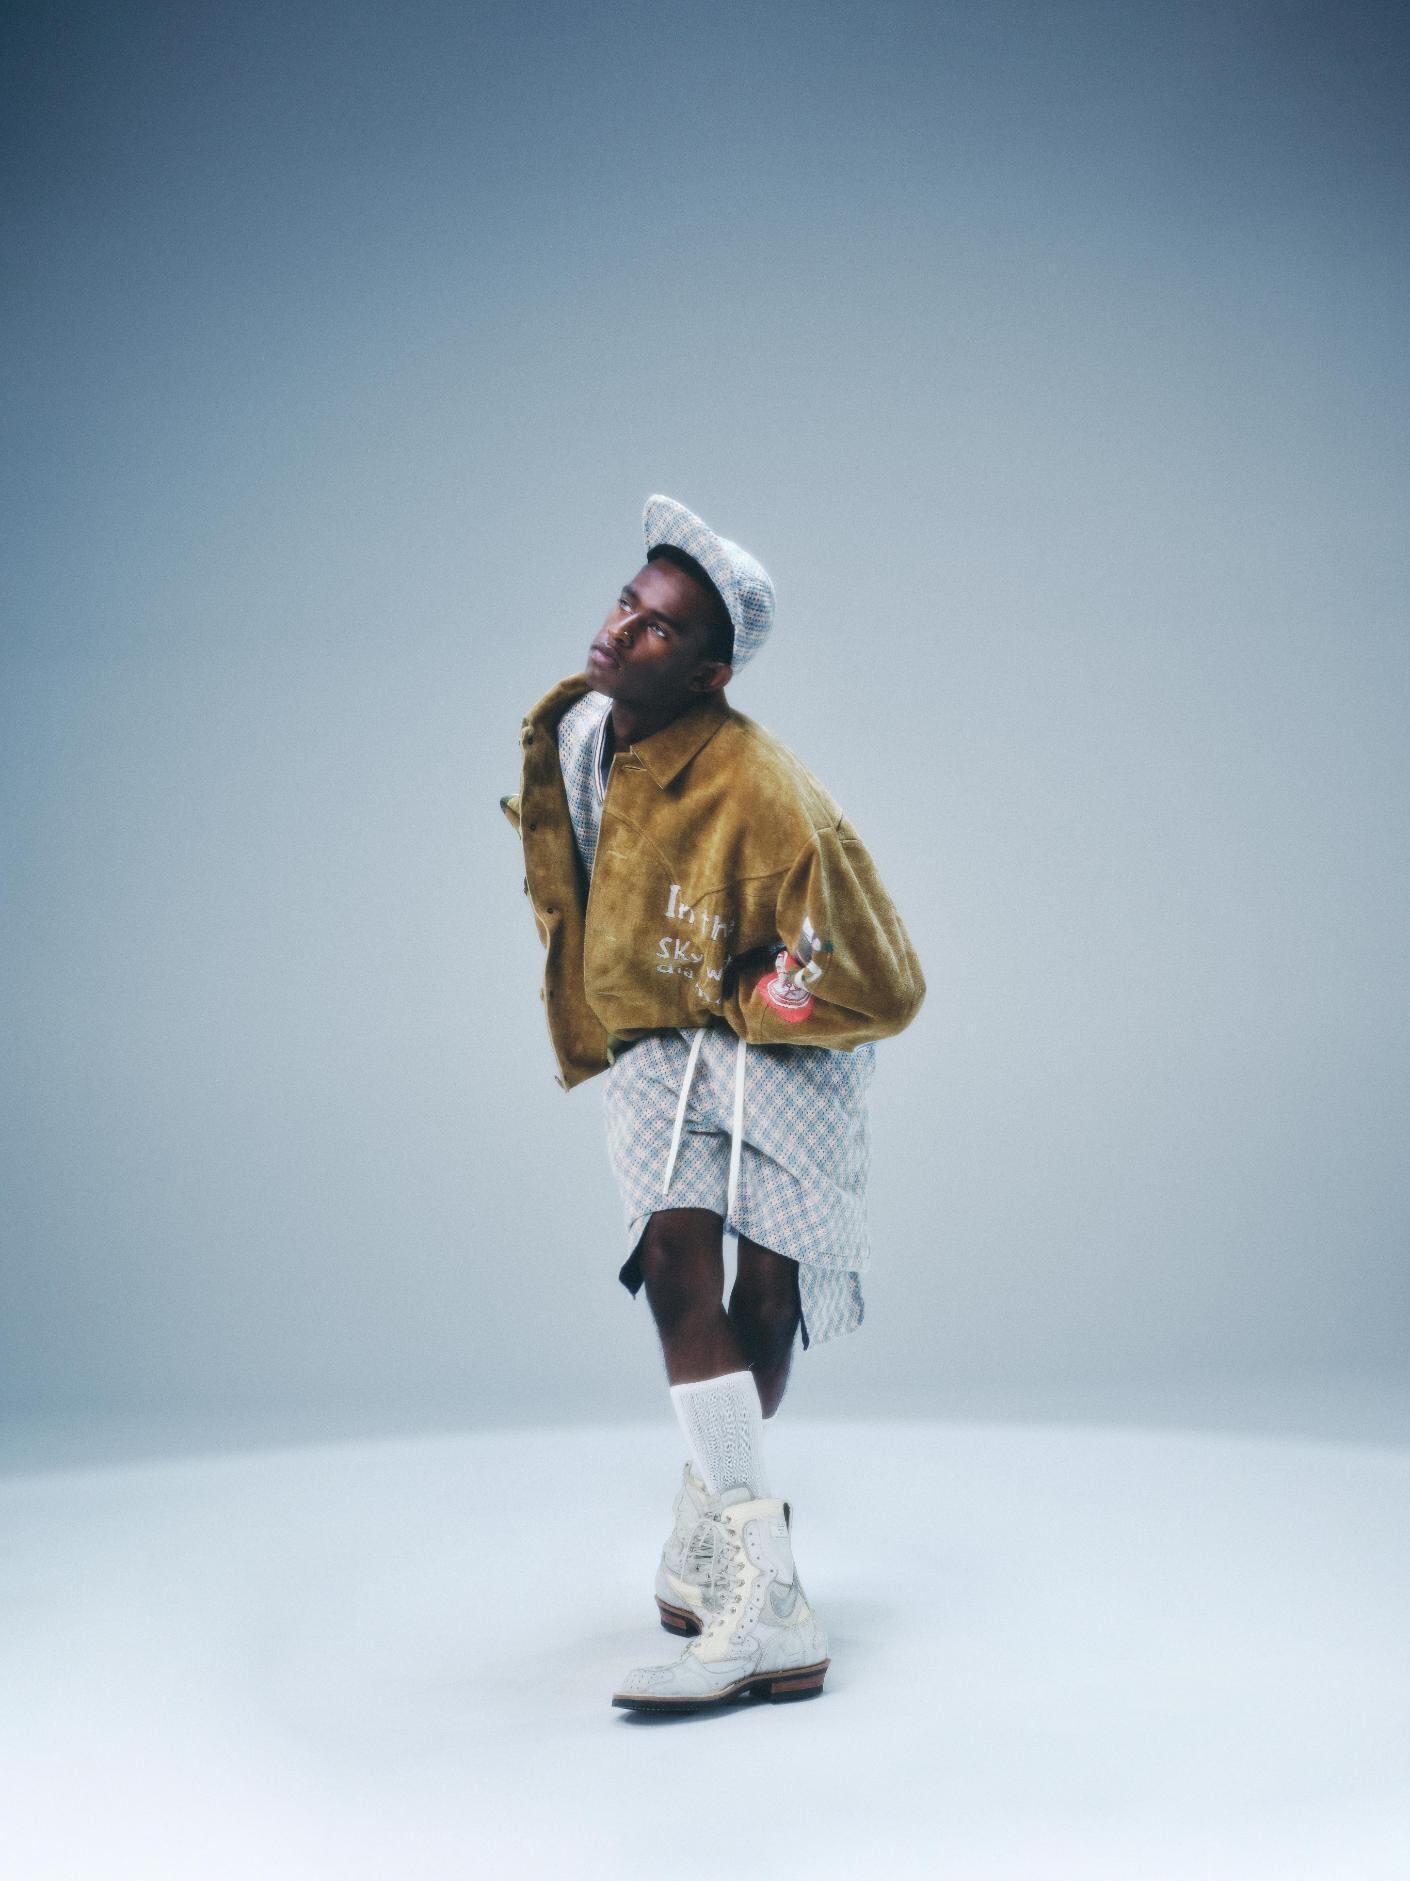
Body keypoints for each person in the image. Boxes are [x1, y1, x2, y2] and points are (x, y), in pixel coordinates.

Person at [501, 495, 925, 1713]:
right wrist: (616, 994)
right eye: (626, 603)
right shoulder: (577, 731)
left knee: (765, 1299)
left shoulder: (769, 798)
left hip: (788, 1057)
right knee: (671, 1264)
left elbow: (879, 979)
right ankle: (769, 1599)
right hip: (660, 1040)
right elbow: (574, 879)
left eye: (657, 628)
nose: (619, 630)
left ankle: (714, 1524)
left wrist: (746, 992)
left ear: (709, 672)